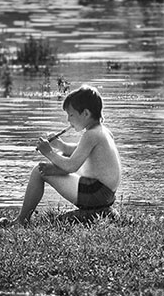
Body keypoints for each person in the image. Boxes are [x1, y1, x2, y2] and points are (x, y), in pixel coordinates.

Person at [14, 84, 122, 224]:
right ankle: (98, 211)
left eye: (71, 115)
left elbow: (71, 166)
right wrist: (61, 146)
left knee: (39, 171)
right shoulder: (102, 132)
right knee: (58, 164)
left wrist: (49, 152)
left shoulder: (91, 135)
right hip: (105, 194)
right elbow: (78, 151)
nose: (68, 120)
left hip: (96, 194)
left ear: (86, 114)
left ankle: (21, 221)